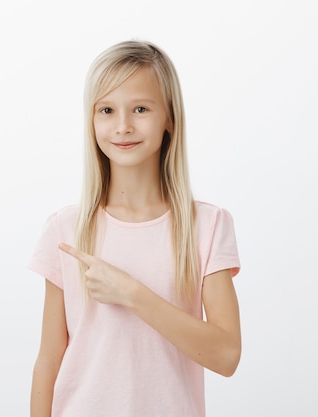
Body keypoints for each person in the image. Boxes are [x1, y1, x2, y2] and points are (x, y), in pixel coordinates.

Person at [28, 40, 241, 417]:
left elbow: (226, 355)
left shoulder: (207, 226)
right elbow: (49, 360)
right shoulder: (66, 229)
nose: (123, 126)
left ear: (169, 118)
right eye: (107, 110)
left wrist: (132, 294)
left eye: (140, 108)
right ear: (91, 120)